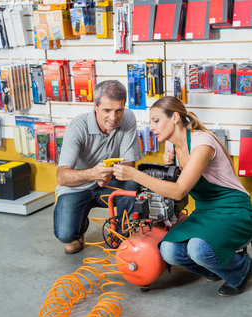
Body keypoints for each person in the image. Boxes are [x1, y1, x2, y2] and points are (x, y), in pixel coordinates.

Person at [113, 96, 252, 297]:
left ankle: (240, 268)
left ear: (175, 117)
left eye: (156, 120)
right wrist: (170, 165)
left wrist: (135, 175)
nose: (152, 127)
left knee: (198, 249)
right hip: (205, 210)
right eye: (151, 122)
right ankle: (215, 268)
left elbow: (179, 191)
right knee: (168, 250)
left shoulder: (203, 143)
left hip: (233, 209)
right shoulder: (172, 148)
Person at [54, 80, 141, 254]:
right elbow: (62, 177)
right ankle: (80, 224)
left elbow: (129, 164)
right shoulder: (77, 127)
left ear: (124, 106)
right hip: (77, 188)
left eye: (119, 110)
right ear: (95, 106)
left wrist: (108, 176)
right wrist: (94, 174)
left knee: (132, 186)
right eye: (107, 110)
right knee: (66, 236)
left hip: (109, 185)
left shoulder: (128, 118)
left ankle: (123, 237)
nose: (114, 118)